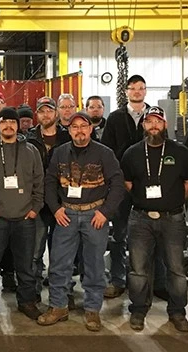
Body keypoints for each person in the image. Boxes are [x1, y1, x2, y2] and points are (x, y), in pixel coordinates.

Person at [37, 111, 126, 331]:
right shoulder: (60, 152)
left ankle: (92, 309)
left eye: (83, 126)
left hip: (94, 215)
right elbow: (49, 182)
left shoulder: (104, 153)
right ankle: (58, 306)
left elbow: (117, 184)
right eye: (74, 127)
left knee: (94, 264)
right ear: (69, 130)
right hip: (66, 215)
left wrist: (105, 212)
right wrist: (56, 209)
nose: (79, 131)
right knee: (59, 263)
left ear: (90, 129)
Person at [120, 106, 188, 333]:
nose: (154, 126)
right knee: (138, 268)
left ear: (165, 125)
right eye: (149, 122)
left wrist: (174, 200)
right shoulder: (132, 153)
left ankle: (177, 312)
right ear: (143, 125)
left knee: (176, 268)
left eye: (158, 121)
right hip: (140, 219)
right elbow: (127, 183)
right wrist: (144, 200)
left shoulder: (180, 152)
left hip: (172, 218)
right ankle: (138, 310)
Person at [100, 74, 168, 301]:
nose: (137, 91)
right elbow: (107, 151)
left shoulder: (155, 116)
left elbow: (165, 147)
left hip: (150, 185)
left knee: (155, 233)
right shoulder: (115, 118)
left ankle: (157, 282)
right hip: (120, 185)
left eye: (141, 88)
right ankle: (118, 280)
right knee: (119, 235)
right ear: (126, 91)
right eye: (133, 88)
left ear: (146, 91)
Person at [0, 107, 44, 320]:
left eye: (12, 122)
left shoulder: (31, 151)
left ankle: (26, 301)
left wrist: (35, 209)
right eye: (4, 122)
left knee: (25, 265)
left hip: (25, 218)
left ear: (18, 125)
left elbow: (39, 181)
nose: (8, 126)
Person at [25, 97, 71, 297]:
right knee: (35, 252)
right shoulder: (27, 139)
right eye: (42, 111)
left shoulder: (67, 137)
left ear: (56, 113)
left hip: (63, 203)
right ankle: (32, 292)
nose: (46, 115)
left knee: (62, 254)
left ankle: (62, 293)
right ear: (37, 114)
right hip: (37, 203)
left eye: (49, 110)